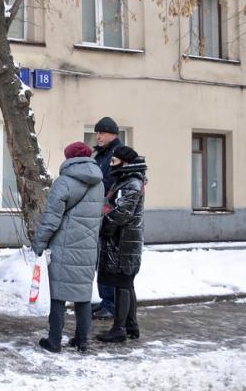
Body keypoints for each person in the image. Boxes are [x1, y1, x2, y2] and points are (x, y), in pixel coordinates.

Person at [32, 142, 104, 353]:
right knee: (83, 295)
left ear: (69, 158)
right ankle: (82, 341)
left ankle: (54, 341)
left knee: (58, 295)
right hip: (88, 247)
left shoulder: (63, 182)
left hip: (64, 246)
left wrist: (39, 243)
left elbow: (51, 219)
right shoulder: (99, 183)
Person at [96, 145, 147, 343]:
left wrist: (104, 224)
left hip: (124, 242)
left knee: (122, 284)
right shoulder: (128, 181)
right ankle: (131, 325)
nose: (111, 164)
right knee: (126, 283)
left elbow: (122, 213)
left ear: (125, 163)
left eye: (114, 161)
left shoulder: (131, 183)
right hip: (124, 240)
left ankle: (119, 328)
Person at [91, 116, 124, 320]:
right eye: (97, 132)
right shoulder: (101, 153)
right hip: (100, 210)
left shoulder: (117, 154)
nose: (98, 136)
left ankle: (111, 304)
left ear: (112, 134)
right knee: (101, 259)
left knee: (108, 259)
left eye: (102, 132)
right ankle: (105, 301)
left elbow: (111, 181)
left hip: (110, 213)